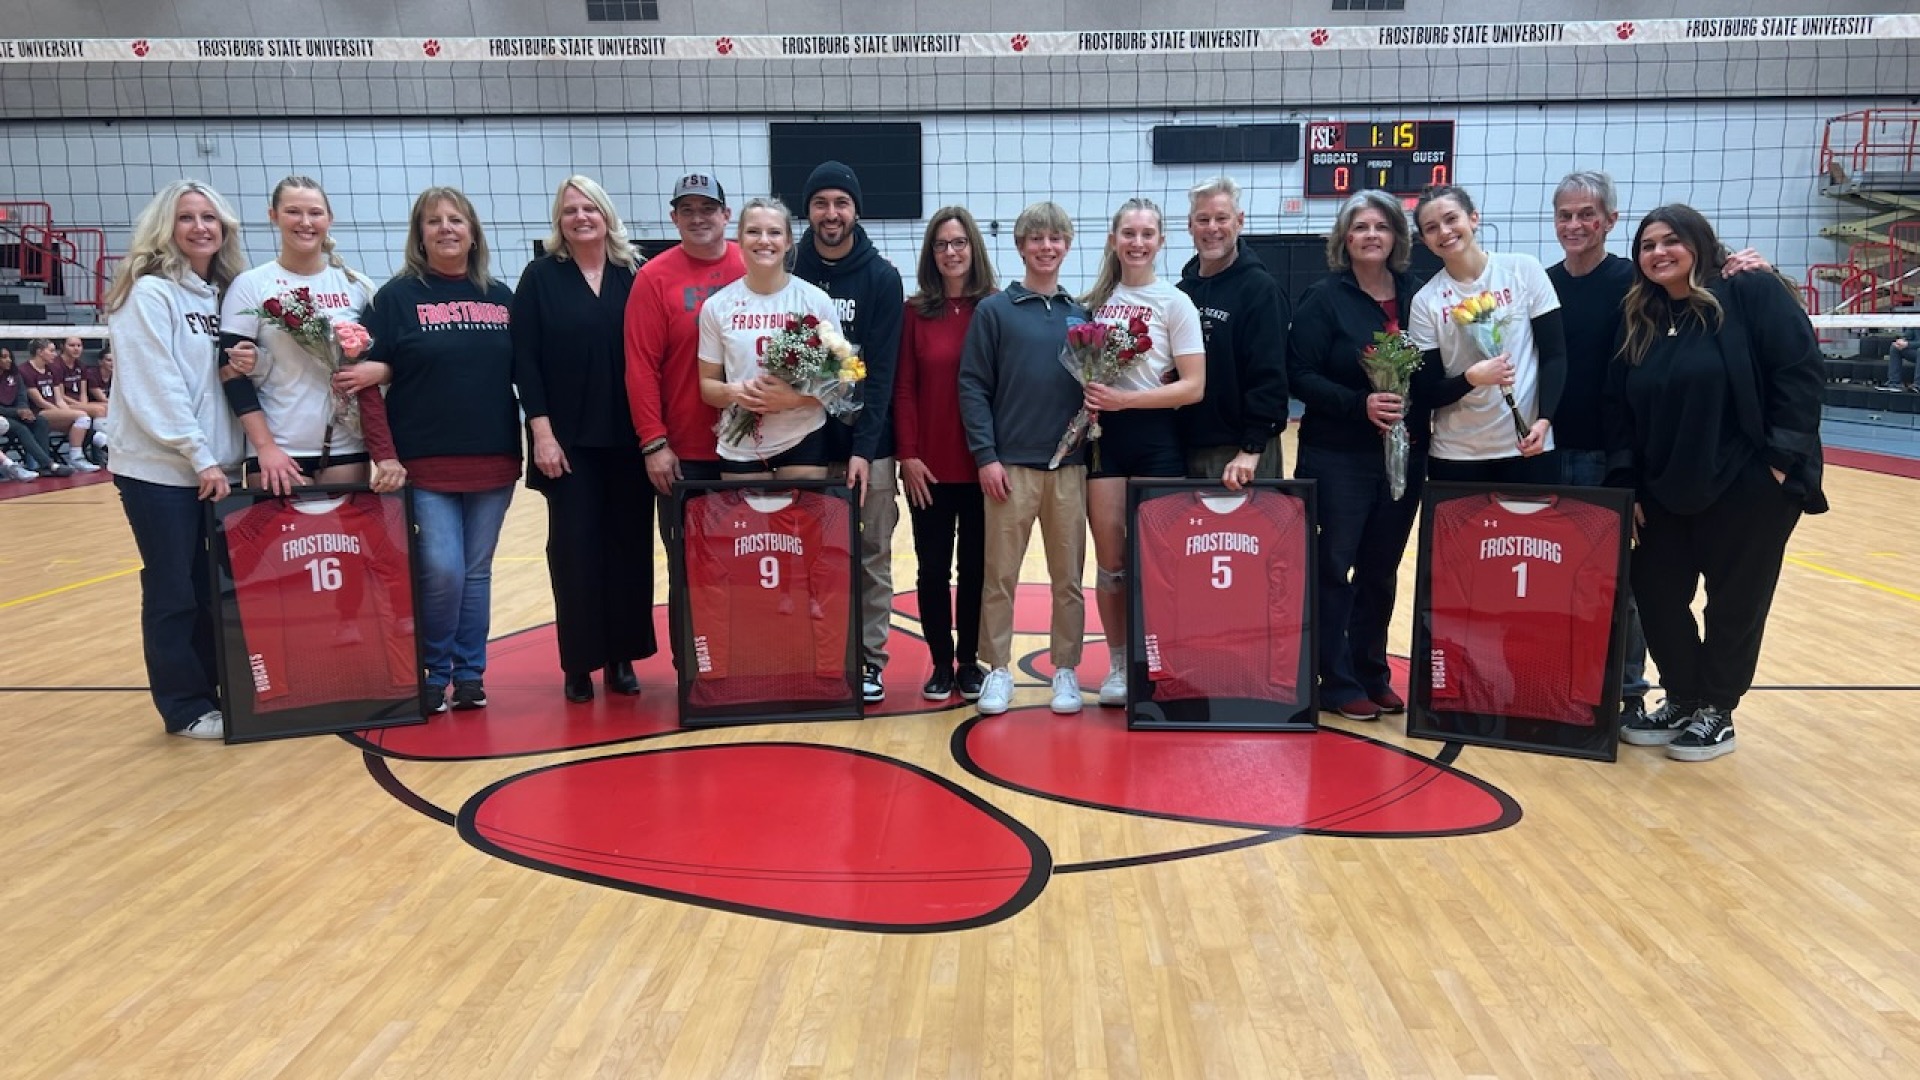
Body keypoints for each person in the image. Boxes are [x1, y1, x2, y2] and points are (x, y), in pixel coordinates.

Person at [1608, 204, 1827, 762]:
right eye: (1648, 245)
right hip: (1664, 486)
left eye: (1670, 241)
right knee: (1656, 595)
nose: (1659, 252)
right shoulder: (1642, 316)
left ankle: (1717, 709)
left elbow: (1798, 371)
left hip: (1747, 483)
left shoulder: (1749, 292)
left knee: (1734, 603)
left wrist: (1778, 462)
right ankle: (1682, 695)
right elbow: (1621, 409)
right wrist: (1627, 481)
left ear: (1699, 245)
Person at [359, 186, 520, 716]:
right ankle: (434, 669)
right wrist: (383, 453)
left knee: (476, 571)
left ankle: (470, 675)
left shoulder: (501, 297)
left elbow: (531, 373)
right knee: (444, 568)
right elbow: (362, 377)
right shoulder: (396, 298)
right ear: (420, 234)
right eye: (434, 222)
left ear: (473, 232)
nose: (446, 228)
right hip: (424, 462)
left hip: (493, 457)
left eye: (456, 220)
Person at [102, 179, 249, 740]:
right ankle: (184, 706)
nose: (200, 227)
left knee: (211, 588)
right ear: (166, 227)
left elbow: (214, 384)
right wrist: (199, 457)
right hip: (161, 470)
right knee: (173, 589)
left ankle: (221, 690)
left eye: (209, 217)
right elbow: (154, 385)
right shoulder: (149, 293)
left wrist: (241, 363)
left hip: (217, 468)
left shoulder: (225, 293)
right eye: (186, 218)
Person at [513, 174, 654, 704]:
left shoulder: (634, 274)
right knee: (574, 552)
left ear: (606, 215)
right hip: (567, 443)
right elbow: (524, 361)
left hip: (629, 439)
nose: (580, 217)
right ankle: (579, 663)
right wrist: (542, 433)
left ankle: (622, 658)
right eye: (570, 210)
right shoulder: (540, 277)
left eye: (589, 208)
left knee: (629, 550)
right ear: (559, 221)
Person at [1287, 189, 1427, 722]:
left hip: (1404, 454)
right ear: (1344, 239)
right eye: (1360, 227)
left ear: (1397, 236)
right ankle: (1336, 679)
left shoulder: (1418, 294)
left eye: (1381, 227)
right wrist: (1358, 403)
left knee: (1381, 568)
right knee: (1333, 567)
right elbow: (1299, 373)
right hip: (1337, 454)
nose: (1372, 235)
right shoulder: (1325, 298)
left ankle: (1372, 671)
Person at [957, 201, 1090, 717]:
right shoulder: (995, 311)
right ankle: (996, 670)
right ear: (1020, 246)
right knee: (1000, 575)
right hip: (1009, 468)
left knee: (1069, 579)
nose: (1046, 246)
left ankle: (1065, 669)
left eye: (1055, 238)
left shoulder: (1082, 314)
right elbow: (972, 385)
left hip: (1069, 467)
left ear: (1066, 246)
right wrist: (986, 456)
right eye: (1036, 238)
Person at [1080, 197, 1206, 708]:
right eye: (1127, 233)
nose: (1136, 242)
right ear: (1114, 240)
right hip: (1106, 441)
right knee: (1111, 561)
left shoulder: (1175, 303)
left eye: (1147, 233)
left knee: (1160, 564)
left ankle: (1162, 662)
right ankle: (1116, 663)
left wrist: (1126, 399)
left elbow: (1194, 386)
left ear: (1160, 241)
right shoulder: (1094, 303)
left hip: (1157, 440)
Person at [792, 161, 905, 705]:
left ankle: (870, 661)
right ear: (807, 210)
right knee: (812, 557)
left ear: (856, 210)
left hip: (870, 447)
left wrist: (865, 448)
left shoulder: (881, 277)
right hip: (804, 442)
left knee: (871, 557)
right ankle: (819, 655)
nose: (831, 213)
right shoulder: (788, 267)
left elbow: (881, 373)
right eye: (821, 203)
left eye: (841, 202)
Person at [624, 171, 745, 675]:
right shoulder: (654, 277)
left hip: (750, 451)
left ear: (726, 214)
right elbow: (639, 364)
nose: (699, 218)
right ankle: (696, 673)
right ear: (674, 218)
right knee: (690, 569)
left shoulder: (752, 262)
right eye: (687, 210)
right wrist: (654, 442)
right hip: (686, 451)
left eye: (708, 209)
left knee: (742, 561)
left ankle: (745, 662)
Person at [218, 176, 401, 496]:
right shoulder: (251, 285)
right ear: (273, 216)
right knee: (281, 547)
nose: (305, 222)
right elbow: (230, 372)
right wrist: (266, 448)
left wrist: (383, 371)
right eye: (293, 212)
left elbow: (379, 366)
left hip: (346, 447)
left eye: (315, 213)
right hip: (279, 450)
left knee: (342, 546)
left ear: (329, 219)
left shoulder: (357, 286)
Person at [895, 206, 996, 701]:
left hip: (981, 467)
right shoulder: (914, 312)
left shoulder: (995, 307)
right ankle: (939, 662)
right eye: (941, 244)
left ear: (973, 248)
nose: (951, 252)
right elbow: (905, 388)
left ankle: (969, 662)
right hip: (927, 469)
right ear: (931, 254)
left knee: (976, 569)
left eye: (958, 243)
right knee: (932, 570)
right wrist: (907, 455)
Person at [1409, 185, 1567, 484]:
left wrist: (1545, 420)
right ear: (1424, 241)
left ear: (1474, 218)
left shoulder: (1524, 270)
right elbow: (1427, 391)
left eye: (1451, 219)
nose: (1444, 231)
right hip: (1457, 454)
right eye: (1432, 228)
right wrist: (1471, 378)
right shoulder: (1426, 301)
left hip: (1528, 446)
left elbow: (1555, 355)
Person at [697, 197, 842, 479]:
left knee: (802, 524)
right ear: (739, 239)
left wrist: (794, 399)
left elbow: (840, 381)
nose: (764, 240)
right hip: (740, 445)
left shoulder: (815, 301)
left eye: (774, 232)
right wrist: (737, 393)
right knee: (751, 525)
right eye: (753, 231)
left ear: (788, 241)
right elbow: (707, 387)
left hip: (804, 438)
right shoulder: (717, 306)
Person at [1176, 177, 1290, 486]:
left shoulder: (1260, 289)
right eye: (1203, 219)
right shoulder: (1181, 293)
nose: (1212, 227)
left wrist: (1251, 449)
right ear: (1190, 226)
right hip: (1186, 449)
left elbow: (1272, 376)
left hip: (1241, 454)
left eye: (1221, 218)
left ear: (1239, 222)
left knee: (1247, 536)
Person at [20, 338, 102, 473]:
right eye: (51, 351)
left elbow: (59, 400)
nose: (55, 354)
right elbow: (39, 401)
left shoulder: (52, 369)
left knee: (80, 423)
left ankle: (100, 448)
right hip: (38, 413)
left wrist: (65, 413)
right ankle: (77, 457)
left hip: (53, 411)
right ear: (40, 352)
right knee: (82, 416)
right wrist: (64, 414)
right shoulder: (25, 370)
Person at [0, 346, 67, 479]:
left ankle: (43, 466)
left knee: (40, 421)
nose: (8, 360)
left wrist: (24, 409)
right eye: (3, 357)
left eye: (9, 357)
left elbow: (21, 396)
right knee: (21, 429)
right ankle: (49, 464)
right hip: (5, 416)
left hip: (17, 413)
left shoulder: (15, 375)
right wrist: (18, 412)